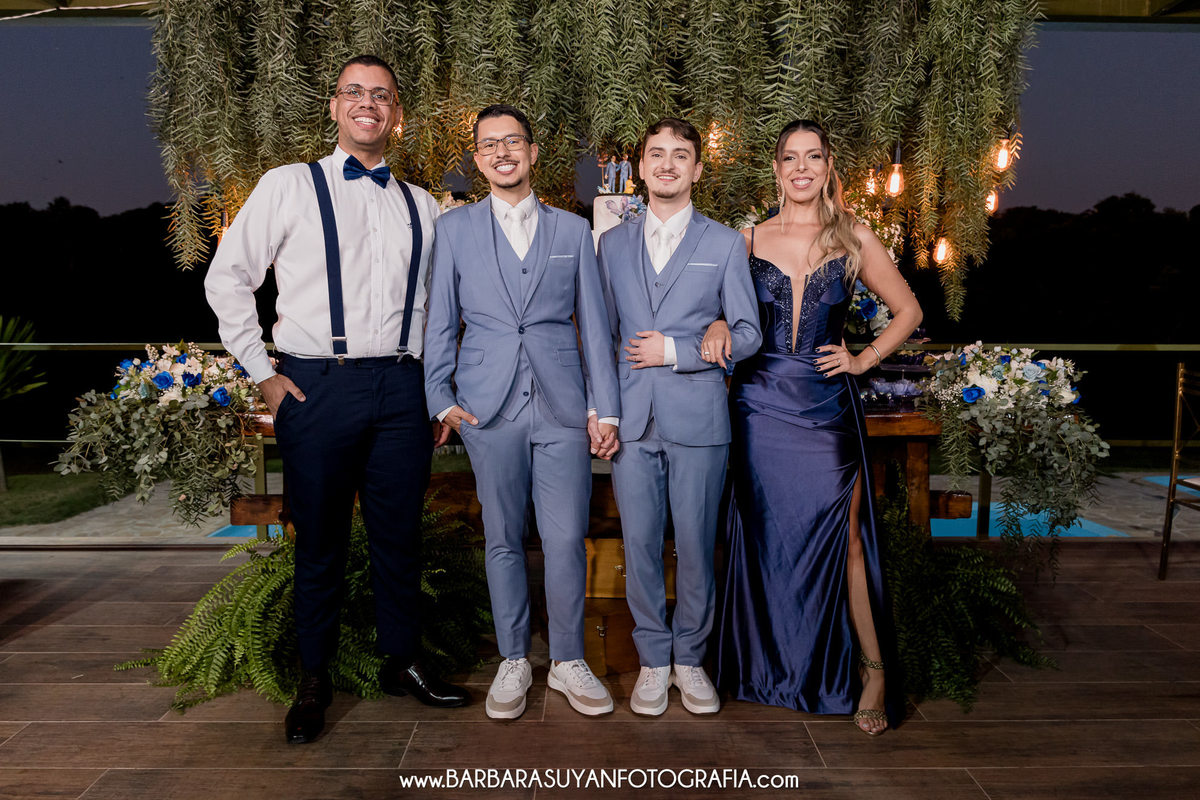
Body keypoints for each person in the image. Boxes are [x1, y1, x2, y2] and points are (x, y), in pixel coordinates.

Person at [204, 55, 470, 745]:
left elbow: (442, 310)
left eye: (381, 95)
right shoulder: (288, 185)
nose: (367, 103)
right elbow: (227, 278)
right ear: (334, 106)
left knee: (399, 537)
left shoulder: (423, 206)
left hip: (403, 388)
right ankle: (313, 678)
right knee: (318, 542)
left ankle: (402, 661)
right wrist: (263, 373)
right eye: (354, 92)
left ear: (396, 114)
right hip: (318, 385)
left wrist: (436, 392)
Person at [709, 119, 922, 735]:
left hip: (827, 407)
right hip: (757, 406)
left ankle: (873, 671)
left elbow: (908, 310)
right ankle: (767, 669)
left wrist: (862, 359)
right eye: (789, 158)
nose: (801, 168)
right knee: (763, 537)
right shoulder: (745, 240)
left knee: (845, 537)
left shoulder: (854, 236)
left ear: (829, 167)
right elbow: (717, 313)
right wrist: (718, 325)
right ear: (776, 169)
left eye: (813, 157)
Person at [424, 104, 621, 720]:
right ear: (477, 159)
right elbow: (440, 319)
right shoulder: (454, 230)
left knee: (566, 539)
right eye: (489, 145)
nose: (502, 152)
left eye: (513, 142)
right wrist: (440, 397)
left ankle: (567, 660)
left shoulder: (572, 231)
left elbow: (595, 325)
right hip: (487, 408)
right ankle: (513, 658)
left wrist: (604, 407)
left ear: (532, 153)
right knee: (502, 538)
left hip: (563, 406)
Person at [597, 118, 760, 716]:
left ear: (697, 168)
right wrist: (603, 411)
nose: (667, 164)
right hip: (633, 421)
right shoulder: (612, 244)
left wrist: (677, 351)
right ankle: (653, 660)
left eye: (680, 154)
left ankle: (690, 660)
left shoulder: (724, 244)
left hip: (699, 421)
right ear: (641, 167)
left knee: (695, 546)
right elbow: (601, 336)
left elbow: (748, 333)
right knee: (639, 545)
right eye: (656, 154)